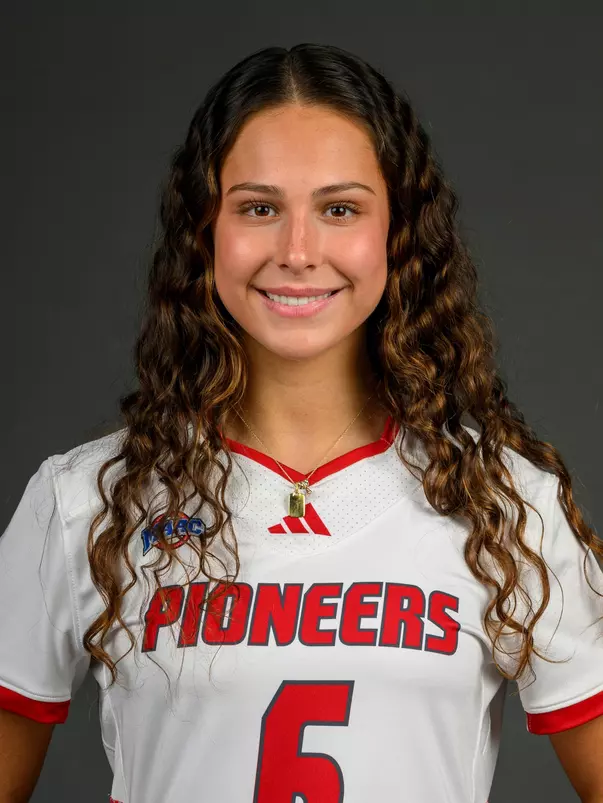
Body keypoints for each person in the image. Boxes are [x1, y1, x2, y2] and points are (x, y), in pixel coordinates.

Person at [0, 43, 601, 803]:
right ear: (204, 230)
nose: (296, 251)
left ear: (398, 234)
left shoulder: (505, 506)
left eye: (339, 208)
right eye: (257, 208)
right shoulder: (86, 500)